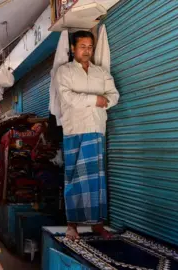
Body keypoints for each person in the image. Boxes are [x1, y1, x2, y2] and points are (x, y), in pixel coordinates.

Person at [55, 31, 120, 240]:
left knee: (97, 178)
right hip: (74, 130)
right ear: (73, 49)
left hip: (96, 128)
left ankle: (97, 224)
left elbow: (114, 95)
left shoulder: (101, 72)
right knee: (74, 177)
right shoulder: (64, 71)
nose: (87, 51)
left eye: (90, 46)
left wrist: (105, 101)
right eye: (82, 46)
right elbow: (68, 97)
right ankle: (72, 224)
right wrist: (96, 100)